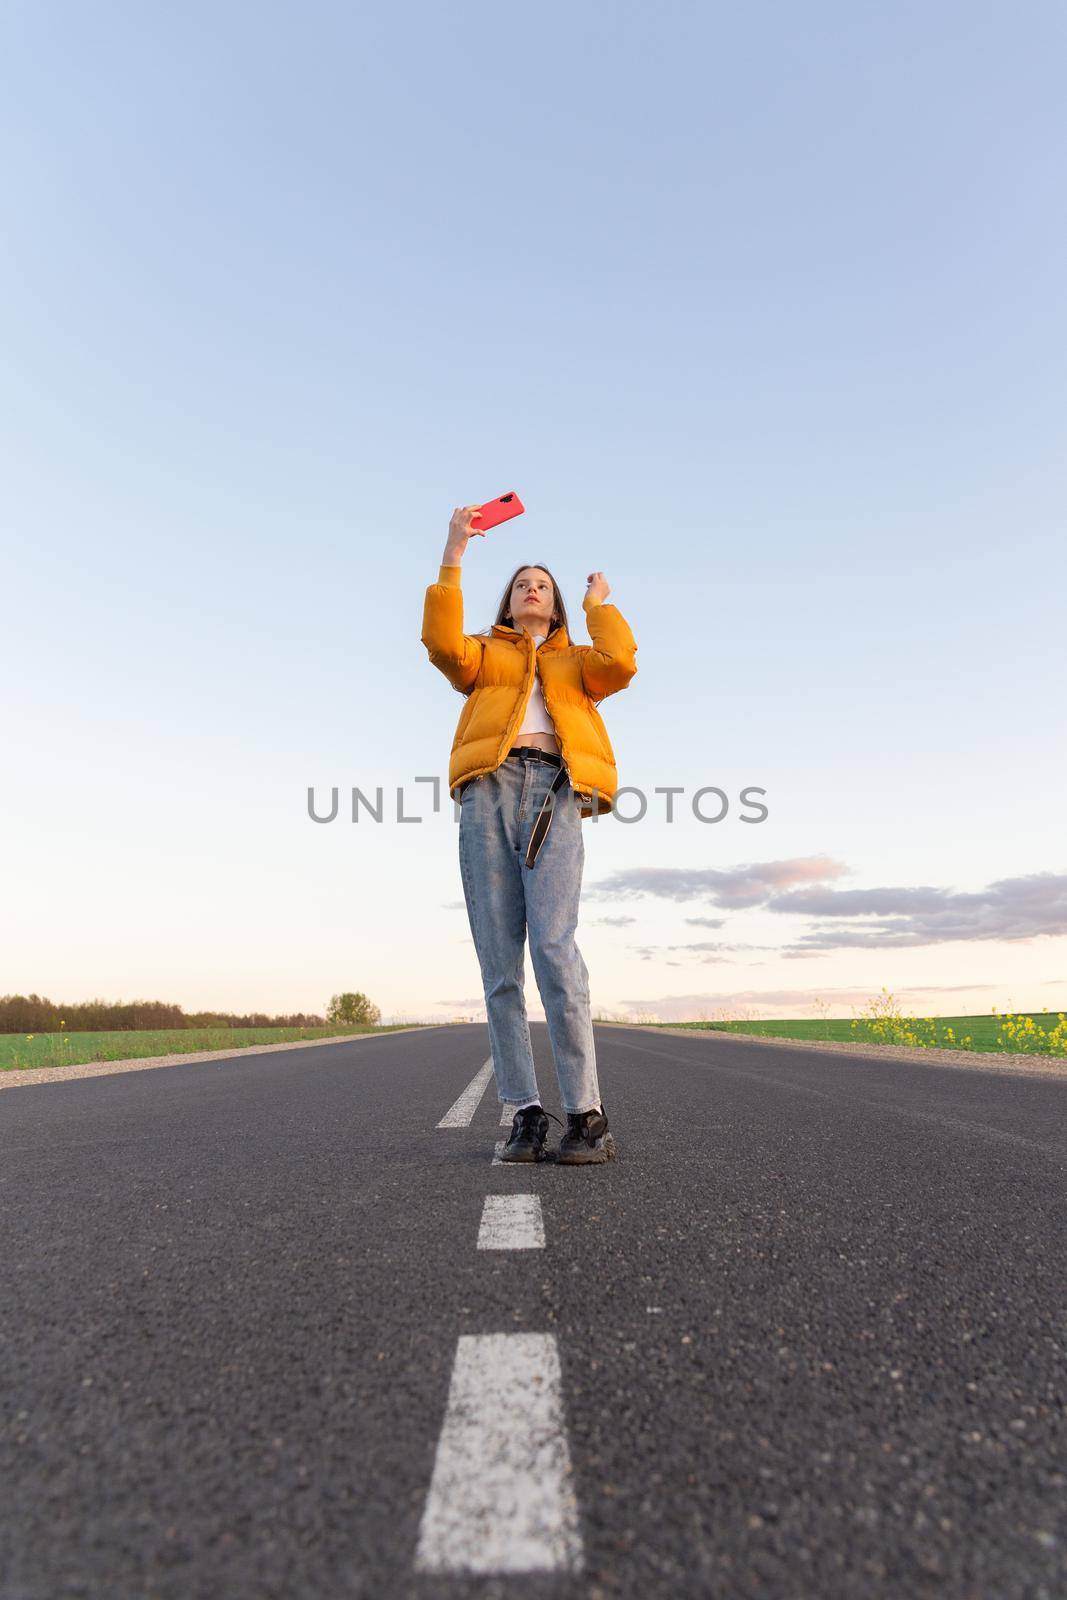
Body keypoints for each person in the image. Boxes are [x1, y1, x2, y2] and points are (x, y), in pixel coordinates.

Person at [421, 504, 638, 1165]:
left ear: (556, 604)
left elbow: (621, 664)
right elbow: (440, 644)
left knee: (554, 949)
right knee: (498, 967)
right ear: (509, 605)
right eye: (521, 583)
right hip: (486, 791)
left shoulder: (577, 661)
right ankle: (523, 1115)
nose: (531, 588)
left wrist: (598, 602)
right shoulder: (483, 655)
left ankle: (585, 1116)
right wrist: (453, 552)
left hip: (553, 791)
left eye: (541, 582)